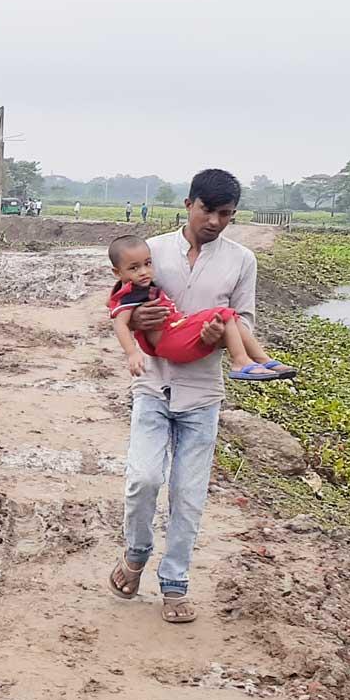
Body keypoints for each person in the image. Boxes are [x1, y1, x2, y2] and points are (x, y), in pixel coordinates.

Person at [110, 169, 256, 624]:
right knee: (144, 478)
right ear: (189, 204)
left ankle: (174, 584)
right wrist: (136, 324)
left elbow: (246, 323)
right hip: (154, 385)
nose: (215, 221)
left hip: (203, 393)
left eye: (225, 214)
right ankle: (135, 554)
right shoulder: (150, 252)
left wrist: (220, 334)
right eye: (207, 210)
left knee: (188, 494)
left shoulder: (241, 260)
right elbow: (120, 307)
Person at [105, 234, 293, 382]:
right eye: (134, 268)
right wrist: (132, 353)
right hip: (170, 339)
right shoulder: (130, 293)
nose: (144, 272)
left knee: (231, 317)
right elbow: (119, 323)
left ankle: (263, 359)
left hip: (177, 331)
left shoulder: (139, 287)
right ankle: (240, 361)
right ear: (117, 272)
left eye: (147, 264)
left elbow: (112, 305)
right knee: (224, 314)